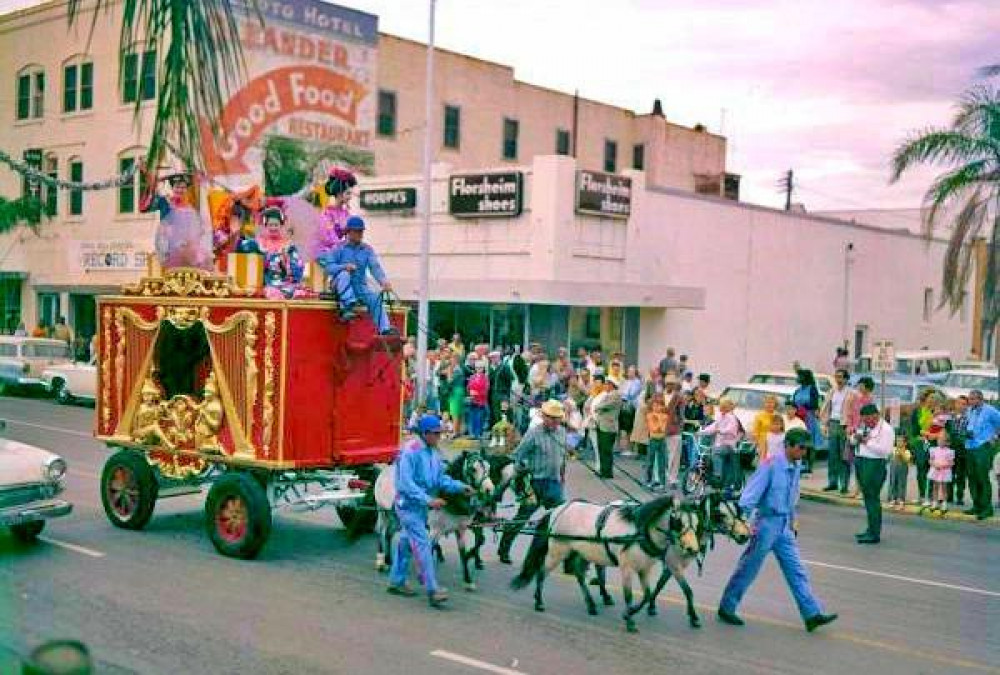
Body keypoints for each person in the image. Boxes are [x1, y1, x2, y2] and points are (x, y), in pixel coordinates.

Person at [717, 428, 838, 632]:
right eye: (801, 448)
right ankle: (727, 607)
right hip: (765, 524)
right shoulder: (771, 466)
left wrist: (793, 519)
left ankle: (811, 614)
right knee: (749, 568)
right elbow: (749, 497)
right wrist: (743, 523)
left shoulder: (796, 465)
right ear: (788, 445)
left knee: (796, 569)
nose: (804, 453)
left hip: (783, 526)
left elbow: (791, 496)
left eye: (806, 449)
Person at [388, 414, 474, 607]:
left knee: (405, 543)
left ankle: (396, 581)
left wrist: (460, 486)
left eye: (440, 433)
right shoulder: (410, 451)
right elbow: (405, 484)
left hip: (420, 507)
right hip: (408, 506)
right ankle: (432, 589)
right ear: (425, 433)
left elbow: (440, 480)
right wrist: (429, 500)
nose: (439, 437)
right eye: (436, 434)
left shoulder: (433, 453)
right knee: (423, 545)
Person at [498, 399, 569, 564]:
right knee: (522, 518)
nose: (554, 421)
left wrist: (562, 476)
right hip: (535, 483)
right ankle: (504, 548)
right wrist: (522, 473)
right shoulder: (533, 433)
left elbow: (562, 458)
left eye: (557, 418)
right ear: (544, 416)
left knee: (562, 519)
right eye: (551, 417)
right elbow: (517, 456)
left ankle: (566, 559)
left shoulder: (562, 433)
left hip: (554, 483)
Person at [318, 216, 395, 335]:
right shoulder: (338, 248)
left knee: (375, 298)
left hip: (360, 287)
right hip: (339, 286)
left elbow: (375, 267)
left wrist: (383, 281)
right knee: (344, 274)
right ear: (348, 232)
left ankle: (384, 329)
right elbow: (329, 267)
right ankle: (347, 306)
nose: (360, 234)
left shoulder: (367, 249)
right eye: (357, 231)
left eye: (361, 231)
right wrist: (344, 267)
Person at [853, 403, 894, 544]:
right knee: (867, 498)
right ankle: (870, 529)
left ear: (875, 415)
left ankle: (874, 533)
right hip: (861, 461)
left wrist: (866, 442)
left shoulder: (886, 430)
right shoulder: (865, 426)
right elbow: (855, 440)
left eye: (867, 419)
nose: (865, 422)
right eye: (863, 419)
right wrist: (854, 438)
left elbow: (886, 451)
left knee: (872, 498)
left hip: (875, 464)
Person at [963, 390, 1000, 520]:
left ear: (980, 399)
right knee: (972, 477)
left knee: (982, 477)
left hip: (983, 447)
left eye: (973, 399)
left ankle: (987, 508)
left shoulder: (990, 411)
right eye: (970, 399)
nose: (970, 401)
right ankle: (977, 505)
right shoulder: (969, 410)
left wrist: (995, 436)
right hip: (969, 446)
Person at [698, 398, 743, 493]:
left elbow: (732, 430)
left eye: (723, 406)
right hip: (720, 444)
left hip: (729, 445)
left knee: (716, 452)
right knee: (709, 453)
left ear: (728, 407)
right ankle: (710, 478)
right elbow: (713, 427)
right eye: (721, 405)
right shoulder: (720, 417)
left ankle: (717, 475)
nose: (721, 407)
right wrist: (701, 432)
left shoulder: (731, 418)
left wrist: (721, 431)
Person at [821, 369, 851, 492]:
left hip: (844, 425)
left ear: (846, 379)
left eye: (840, 377)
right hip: (833, 423)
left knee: (844, 456)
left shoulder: (851, 393)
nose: (838, 380)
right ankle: (832, 482)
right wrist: (825, 424)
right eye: (836, 377)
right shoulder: (832, 392)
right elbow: (826, 408)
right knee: (832, 455)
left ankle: (844, 484)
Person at [844, 376, 875, 496]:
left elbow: (873, 417)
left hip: (865, 432)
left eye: (862, 385)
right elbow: (849, 414)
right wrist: (849, 427)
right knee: (854, 461)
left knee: (864, 462)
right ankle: (856, 488)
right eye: (859, 385)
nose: (859, 387)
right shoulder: (853, 397)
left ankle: (863, 488)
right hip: (854, 431)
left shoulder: (871, 399)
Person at [592, 377, 623, 478]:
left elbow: (603, 406)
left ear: (611, 385)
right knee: (602, 449)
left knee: (606, 450)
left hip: (609, 426)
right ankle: (603, 470)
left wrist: (597, 407)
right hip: (602, 425)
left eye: (607, 384)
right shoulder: (607, 395)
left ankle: (607, 472)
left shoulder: (615, 395)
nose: (605, 385)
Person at [791, 369, 821, 474]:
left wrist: (803, 407)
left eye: (800, 377)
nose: (798, 379)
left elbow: (815, 404)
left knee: (810, 443)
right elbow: (793, 402)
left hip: (809, 418)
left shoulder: (812, 389)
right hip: (799, 418)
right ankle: (800, 463)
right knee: (799, 441)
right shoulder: (798, 390)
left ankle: (809, 466)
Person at [663, 372, 686, 486]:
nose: (670, 386)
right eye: (668, 384)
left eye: (672, 384)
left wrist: (680, 426)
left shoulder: (679, 397)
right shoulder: (660, 396)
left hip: (675, 430)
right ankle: (665, 476)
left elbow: (682, 414)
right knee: (667, 454)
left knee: (675, 456)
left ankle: (672, 477)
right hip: (663, 429)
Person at [946, 395, 970, 505]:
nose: (961, 406)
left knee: (960, 474)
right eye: (959, 403)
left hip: (962, 450)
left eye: (964, 404)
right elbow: (945, 431)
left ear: (967, 406)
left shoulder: (969, 418)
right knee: (949, 473)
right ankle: (949, 496)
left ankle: (959, 496)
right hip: (950, 449)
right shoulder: (950, 417)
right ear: (955, 404)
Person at [927, 426, 954, 513]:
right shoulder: (934, 450)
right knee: (935, 487)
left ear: (947, 442)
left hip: (944, 471)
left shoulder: (949, 451)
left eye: (943, 440)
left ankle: (944, 503)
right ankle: (935, 502)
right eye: (939, 439)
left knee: (944, 488)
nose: (940, 442)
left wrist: (943, 465)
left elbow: (952, 463)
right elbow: (930, 460)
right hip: (935, 470)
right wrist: (934, 464)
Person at [645, 396, 668, 489]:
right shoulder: (649, 415)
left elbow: (663, 429)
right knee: (650, 461)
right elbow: (653, 428)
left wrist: (658, 420)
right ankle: (649, 480)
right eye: (655, 405)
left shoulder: (665, 416)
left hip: (662, 440)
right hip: (653, 440)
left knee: (662, 462)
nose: (657, 407)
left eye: (659, 405)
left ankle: (662, 482)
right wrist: (660, 421)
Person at [751, 394, 779, 460]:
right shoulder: (759, 415)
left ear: (775, 404)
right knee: (763, 465)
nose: (769, 404)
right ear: (764, 404)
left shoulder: (777, 415)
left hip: (775, 444)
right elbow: (755, 432)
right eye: (767, 402)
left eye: (771, 402)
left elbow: (781, 430)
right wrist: (758, 445)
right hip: (762, 444)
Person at [466, 362, 490, 439]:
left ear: (483, 369)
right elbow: (468, 387)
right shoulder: (472, 377)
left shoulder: (485, 378)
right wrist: (470, 392)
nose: (479, 369)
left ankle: (479, 434)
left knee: (479, 418)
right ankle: (472, 434)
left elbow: (486, 390)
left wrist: (476, 393)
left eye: (480, 367)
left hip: (481, 401)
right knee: (472, 418)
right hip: (472, 400)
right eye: (477, 367)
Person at [887, 436, 911, 510]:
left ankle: (901, 500)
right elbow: (889, 457)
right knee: (893, 483)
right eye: (897, 441)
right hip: (893, 469)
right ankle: (893, 499)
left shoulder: (907, 451)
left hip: (902, 470)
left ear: (905, 443)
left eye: (901, 441)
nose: (898, 443)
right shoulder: (893, 449)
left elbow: (907, 460)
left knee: (901, 484)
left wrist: (901, 454)